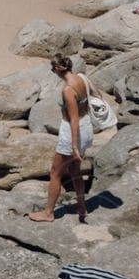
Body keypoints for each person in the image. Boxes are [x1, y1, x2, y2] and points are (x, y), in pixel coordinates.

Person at [28, 56, 93, 224]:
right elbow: (97, 95)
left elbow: (73, 119)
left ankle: (48, 213)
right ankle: (82, 206)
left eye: (52, 69)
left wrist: (73, 146)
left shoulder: (68, 90)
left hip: (73, 132)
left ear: (57, 69)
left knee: (55, 173)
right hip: (87, 127)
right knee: (75, 171)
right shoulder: (82, 78)